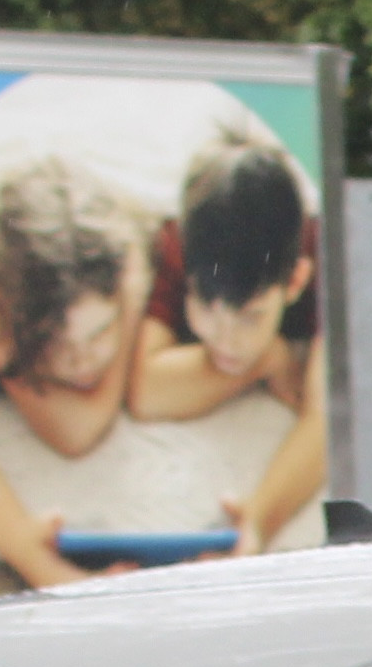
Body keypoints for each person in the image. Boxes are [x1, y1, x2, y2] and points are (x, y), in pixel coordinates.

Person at [0, 158, 153, 592]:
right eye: (58, 344)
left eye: (100, 333)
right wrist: (35, 559)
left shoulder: (125, 265)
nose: (84, 361)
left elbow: (77, 428)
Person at [137, 132, 328, 554]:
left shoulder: (322, 257)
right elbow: (145, 390)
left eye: (250, 317)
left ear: (295, 280)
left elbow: (327, 419)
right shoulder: (178, 246)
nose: (225, 340)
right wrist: (270, 358)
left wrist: (257, 520)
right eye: (205, 306)